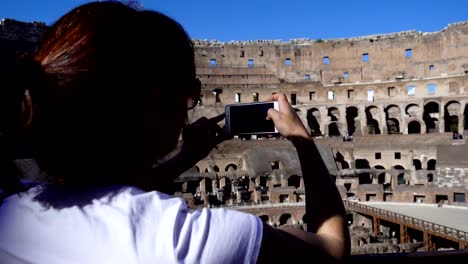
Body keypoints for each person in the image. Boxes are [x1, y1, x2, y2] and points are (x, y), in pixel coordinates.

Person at [0, 1, 349, 263]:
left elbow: (106, 194)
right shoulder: (193, 239)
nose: (191, 105)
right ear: (154, 101)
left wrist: (185, 157)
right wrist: (301, 140)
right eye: (191, 91)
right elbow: (331, 250)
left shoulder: (11, 210)